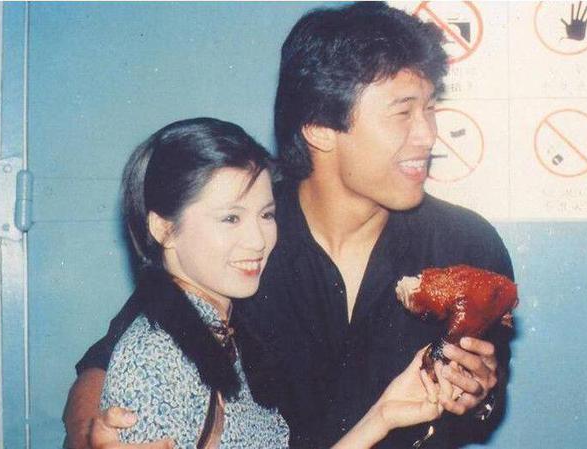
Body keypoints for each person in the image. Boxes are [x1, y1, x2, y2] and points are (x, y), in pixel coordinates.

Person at [64, 3, 515, 448]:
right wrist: (94, 436)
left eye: (430, 108)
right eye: (403, 112)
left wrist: (480, 395)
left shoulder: (468, 244)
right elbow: (110, 364)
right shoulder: (242, 240)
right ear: (319, 128)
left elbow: (487, 406)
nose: (428, 134)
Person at [70, 116, 447, 449]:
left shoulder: (218, 332)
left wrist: (384, 414)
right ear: (164, 229)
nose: (258, 240)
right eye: (231, 219)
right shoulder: (158, 358)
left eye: (266, 215)